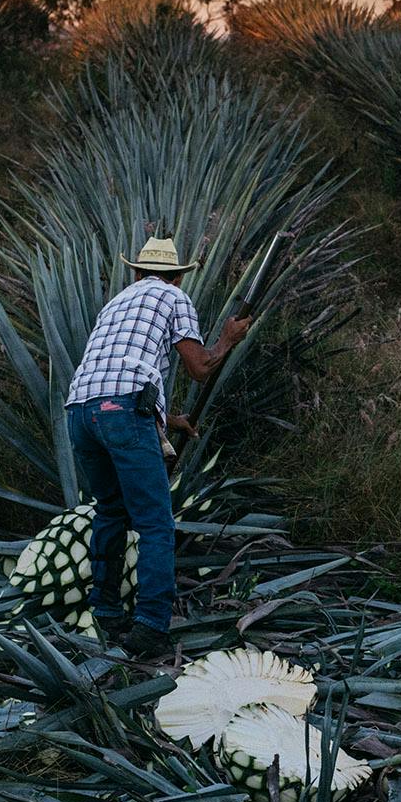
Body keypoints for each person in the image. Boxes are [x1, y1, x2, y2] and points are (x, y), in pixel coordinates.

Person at [64, 236, 250, 657]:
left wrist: (167, 419)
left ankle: (106, 612)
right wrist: (227, 338)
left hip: (79, 413)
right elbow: (200, 368)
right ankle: (150, 626)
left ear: (136, 272)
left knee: (110, 510)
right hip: (124, 410)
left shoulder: (114, 304)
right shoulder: (173, 296)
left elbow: (111, 376)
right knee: (155, 522)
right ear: (178, 276)